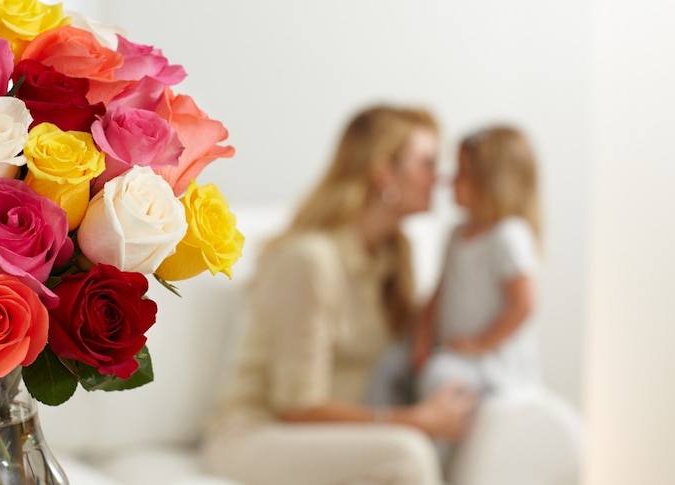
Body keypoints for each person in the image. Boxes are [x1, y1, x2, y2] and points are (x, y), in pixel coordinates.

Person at [201, 105, 475, 485]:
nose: (439, 178)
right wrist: (412, 420)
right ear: (383, 173)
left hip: (325, 437)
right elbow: (295, 406)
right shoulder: (311, 261)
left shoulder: (395, 258)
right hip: (257, 435)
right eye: (427, 162)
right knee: (406, 454)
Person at [412, 125, 542, 403]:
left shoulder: (508, 235)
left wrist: (481, 344)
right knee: (396, 368)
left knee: (439, 376)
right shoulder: (456, 234)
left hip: (493, 366)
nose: (450, 181)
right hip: (455, 353)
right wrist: (422, 341)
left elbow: (524, 304)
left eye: (463, 174)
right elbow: (438, 295)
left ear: (494, 181)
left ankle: (435, 445)